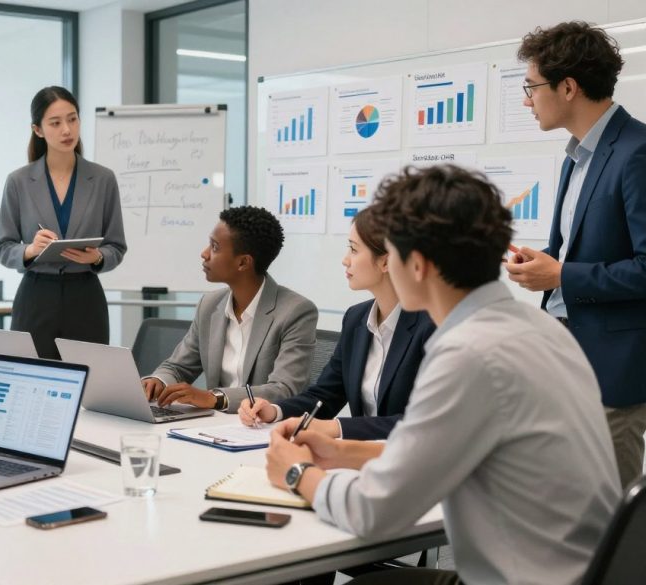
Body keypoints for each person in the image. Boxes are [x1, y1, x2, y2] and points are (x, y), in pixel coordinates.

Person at [266, 165, 620, 585]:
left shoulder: (470, 355)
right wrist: (343, 454)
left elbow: (372, 513)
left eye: (390, 253)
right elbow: (445, 448)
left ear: (416, 265)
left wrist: (296, 472)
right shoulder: (537, 327)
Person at [505, 21, 646, 489]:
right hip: (565, 358)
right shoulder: (575, 156)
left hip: (613, 373)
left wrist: (563, 274)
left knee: (606, 524)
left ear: (568, 87)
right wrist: (543, 261)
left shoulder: (637, 152)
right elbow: (580, 249)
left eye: (532, 87)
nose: (527, 99)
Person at [238, 208, 435, 439]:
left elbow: (426, 420)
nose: (345, 259)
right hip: (360, 457)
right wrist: (275, 411)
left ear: (385, 262)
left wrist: (338, 427)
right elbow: (326, 395)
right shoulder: (356, 318)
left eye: (353, 249)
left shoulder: (431, 324)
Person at [142, 206, 318, 413]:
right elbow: (178, 367)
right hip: (214, 427)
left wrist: (214, 398)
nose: (204, 254)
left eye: (215, 247)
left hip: (262, 427)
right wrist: (158, 381)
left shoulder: (296, 311)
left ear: (243, 262)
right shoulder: (209, 305)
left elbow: (284, 389)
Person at [0, 86, 127, 360]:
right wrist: (30, 250)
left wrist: (97, 257)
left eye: (72, 119)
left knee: (90, 383)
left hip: (86, 295)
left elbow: (117, 246)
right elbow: (3, 247)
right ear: (38, 130)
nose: (67, 130)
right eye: (55, 123)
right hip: (36, 294)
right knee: (31, 380)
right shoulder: (19, 181)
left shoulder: (103, 179)